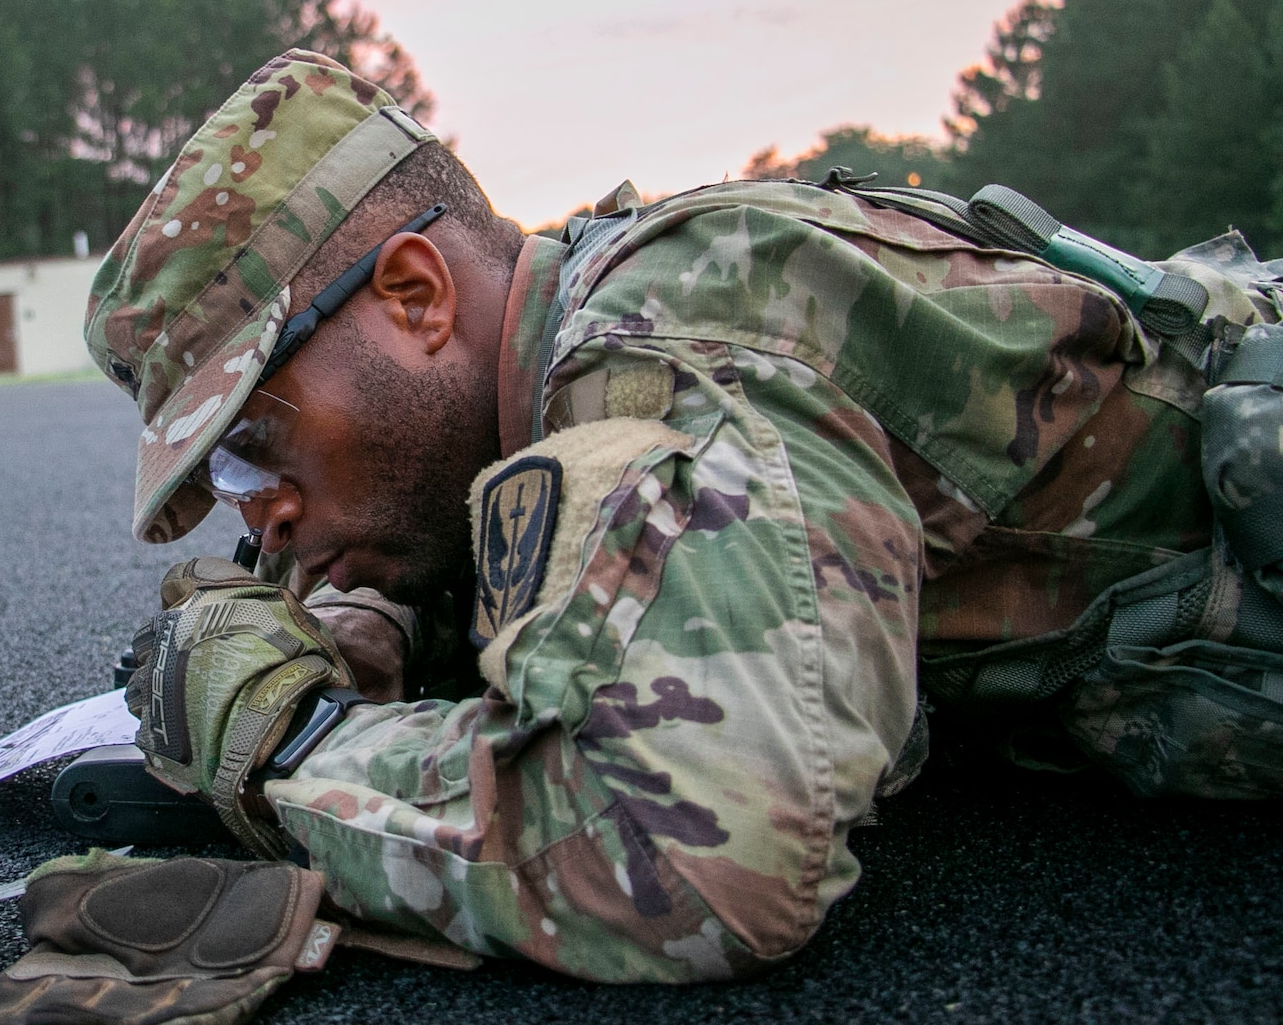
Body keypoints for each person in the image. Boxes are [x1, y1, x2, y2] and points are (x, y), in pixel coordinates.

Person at [74, 51, 1281, 988]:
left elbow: (689, 861)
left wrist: (290, 742)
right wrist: (393, 626)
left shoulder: (665, 344)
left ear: (414, 295)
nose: (261, 522)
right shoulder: (552, 380)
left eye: (252, 445)